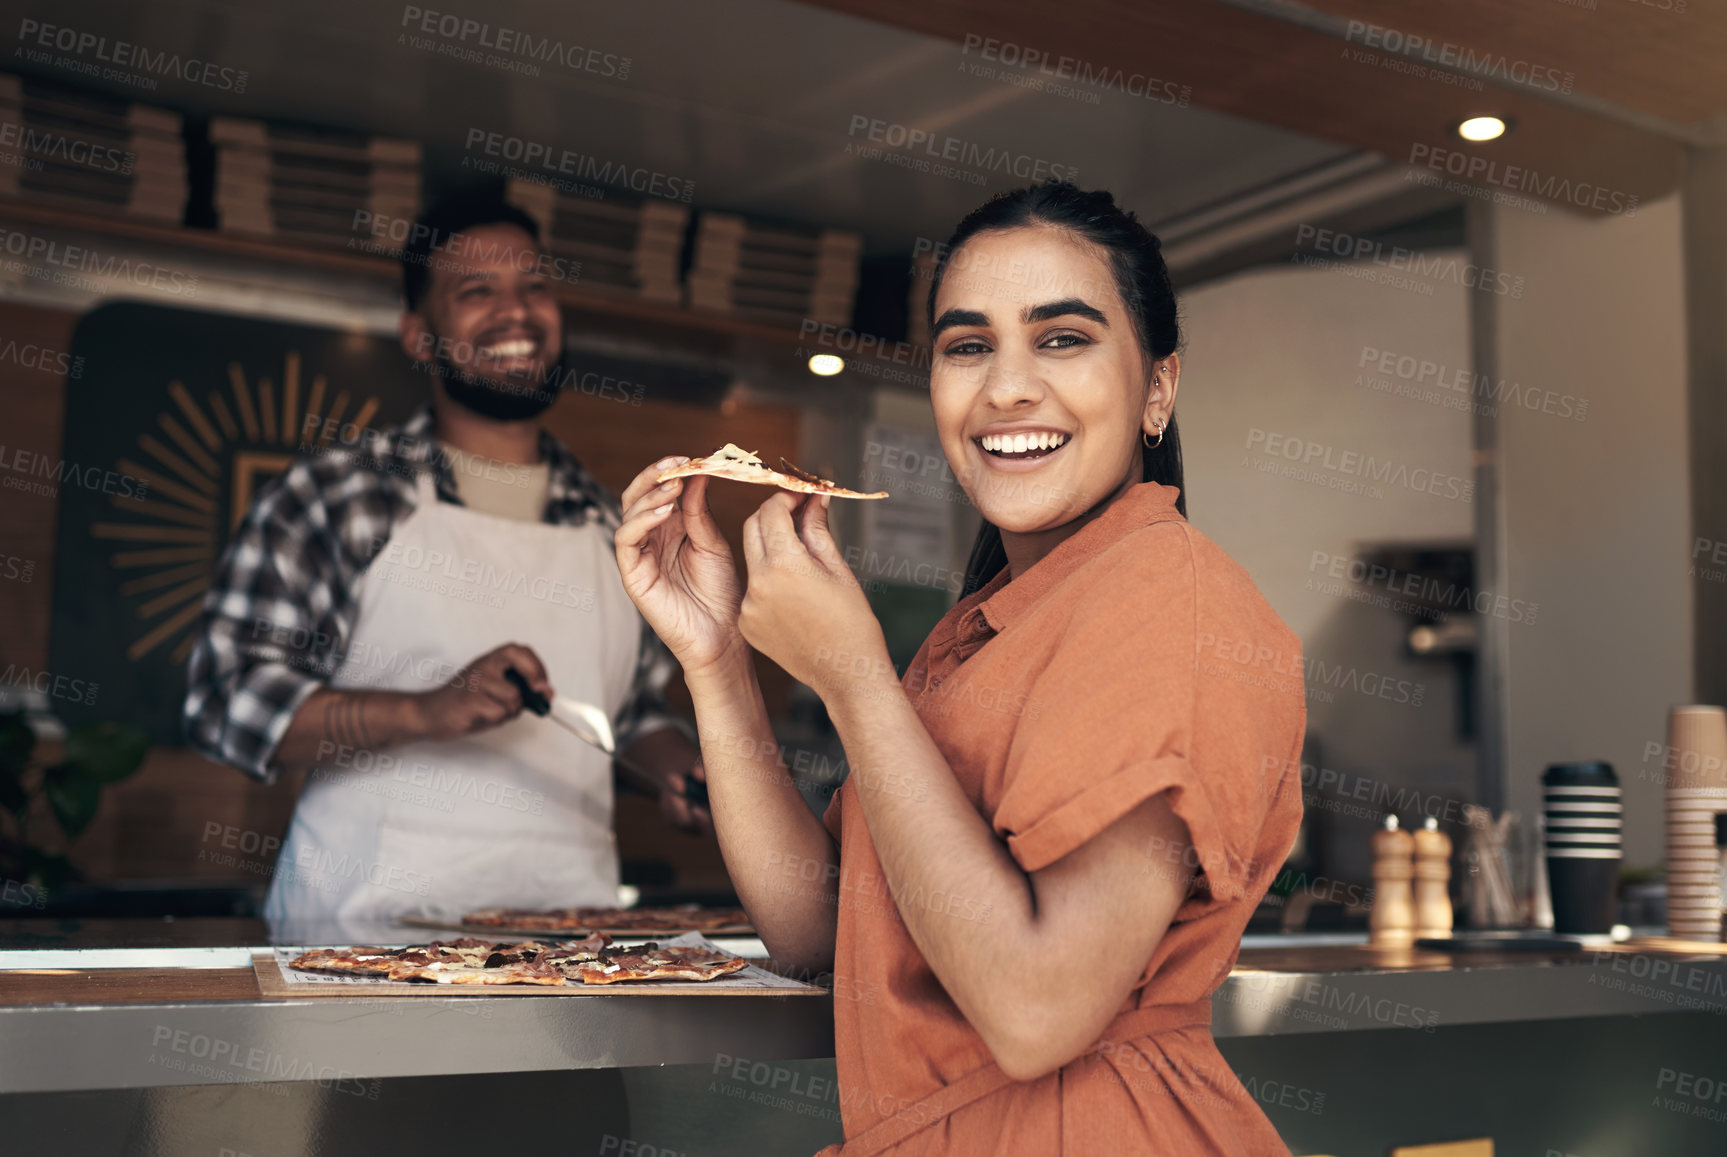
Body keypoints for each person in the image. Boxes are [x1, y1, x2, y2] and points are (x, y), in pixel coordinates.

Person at [614, 182, 1305, 1155]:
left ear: (1157, 386)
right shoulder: (982, 628)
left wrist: (852, 677)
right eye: (966, 344)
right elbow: (817, 924)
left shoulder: (1168, 600)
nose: (1006, 388)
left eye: (1061, 338)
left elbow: (1035, 1009)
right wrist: (717, 655)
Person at [184, 189, 707, 933]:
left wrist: (677, 770)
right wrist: (424, 709)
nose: (517, 311)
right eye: (475, 291)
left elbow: (633, 713)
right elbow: (225, 703)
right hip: (361, 938)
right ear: (418, 337)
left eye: (535, 285)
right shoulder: (335, 498)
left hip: (570, 945)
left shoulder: (613, 525)